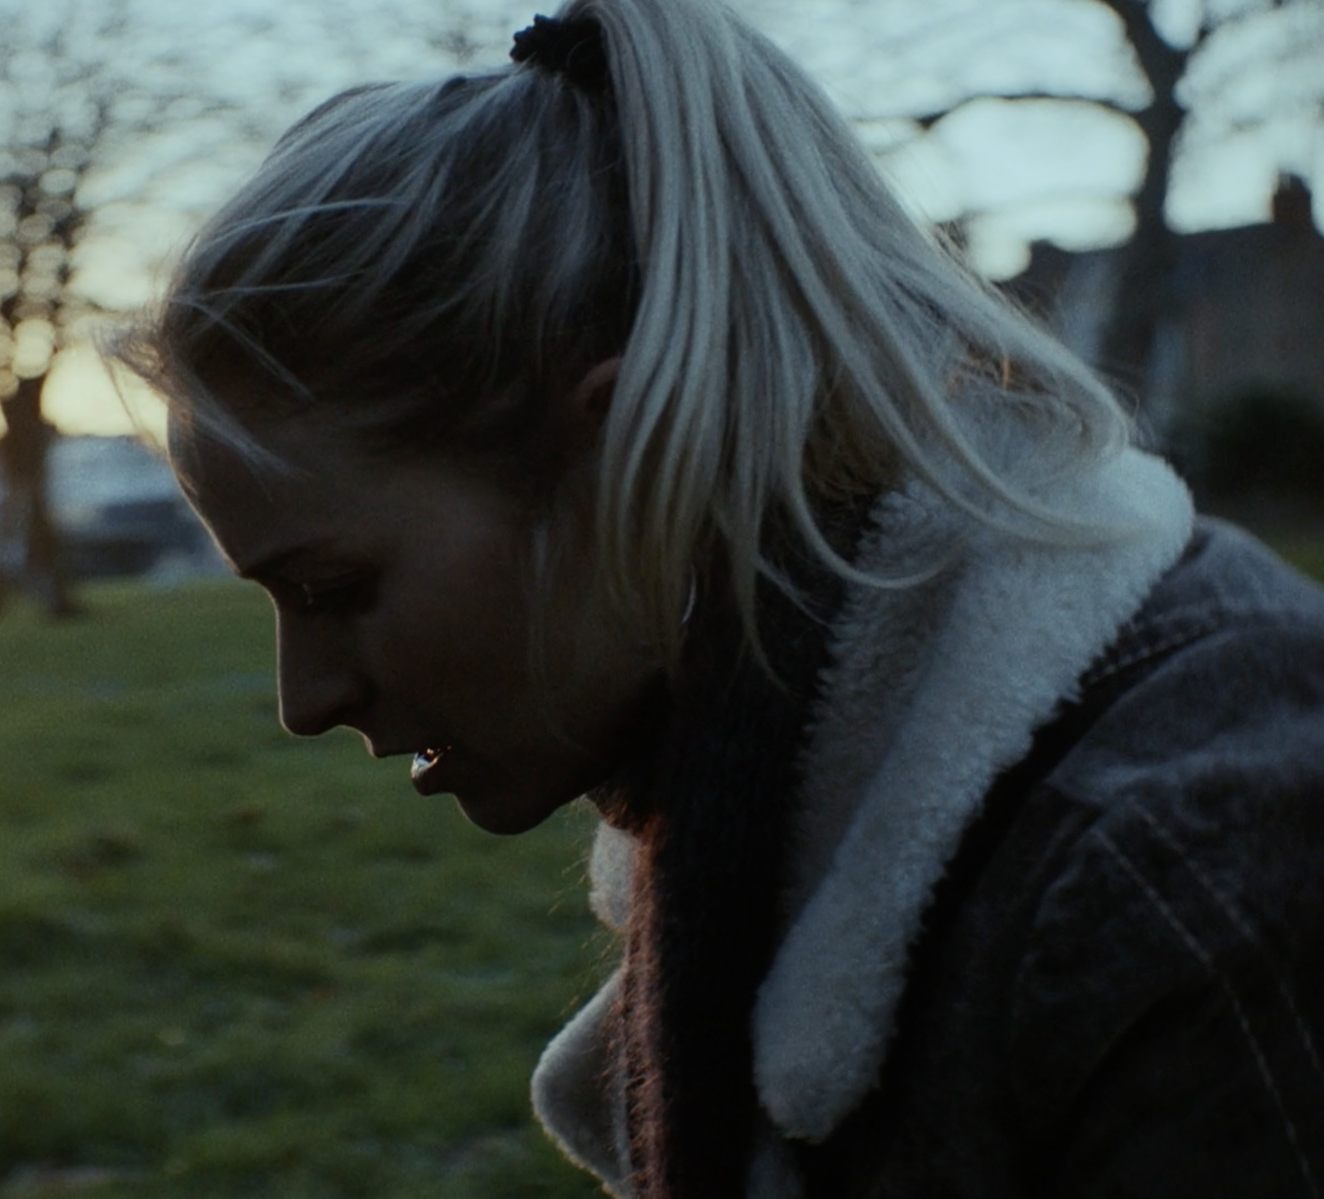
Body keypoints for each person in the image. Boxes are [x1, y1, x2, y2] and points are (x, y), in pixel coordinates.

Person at [112, 0, 1324, 1194]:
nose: (304, 699)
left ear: (630, 447)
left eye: (332, 587)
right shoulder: (759, 729)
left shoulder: (1201, 861)